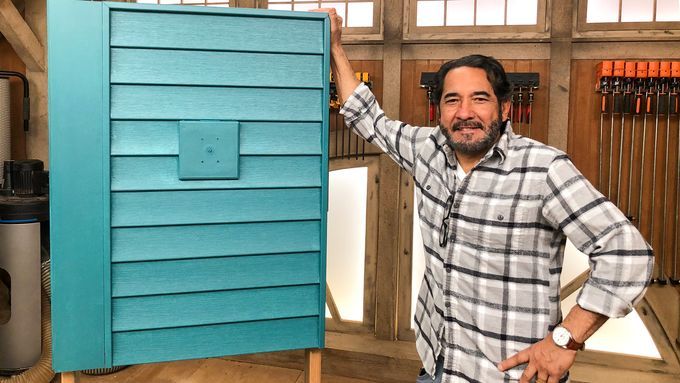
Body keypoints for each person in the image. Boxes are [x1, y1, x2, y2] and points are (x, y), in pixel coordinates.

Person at [313, 8, 654, 383]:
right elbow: (366, 117)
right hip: (438, 364)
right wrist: (335, 47)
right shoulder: (428, 148)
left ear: (504, 108)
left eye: (479, 99)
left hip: (509, 376)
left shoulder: (543, 169)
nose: (465, 113)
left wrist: (565, 340)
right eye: (452, 100)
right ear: (439, 110)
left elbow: (628, 254)